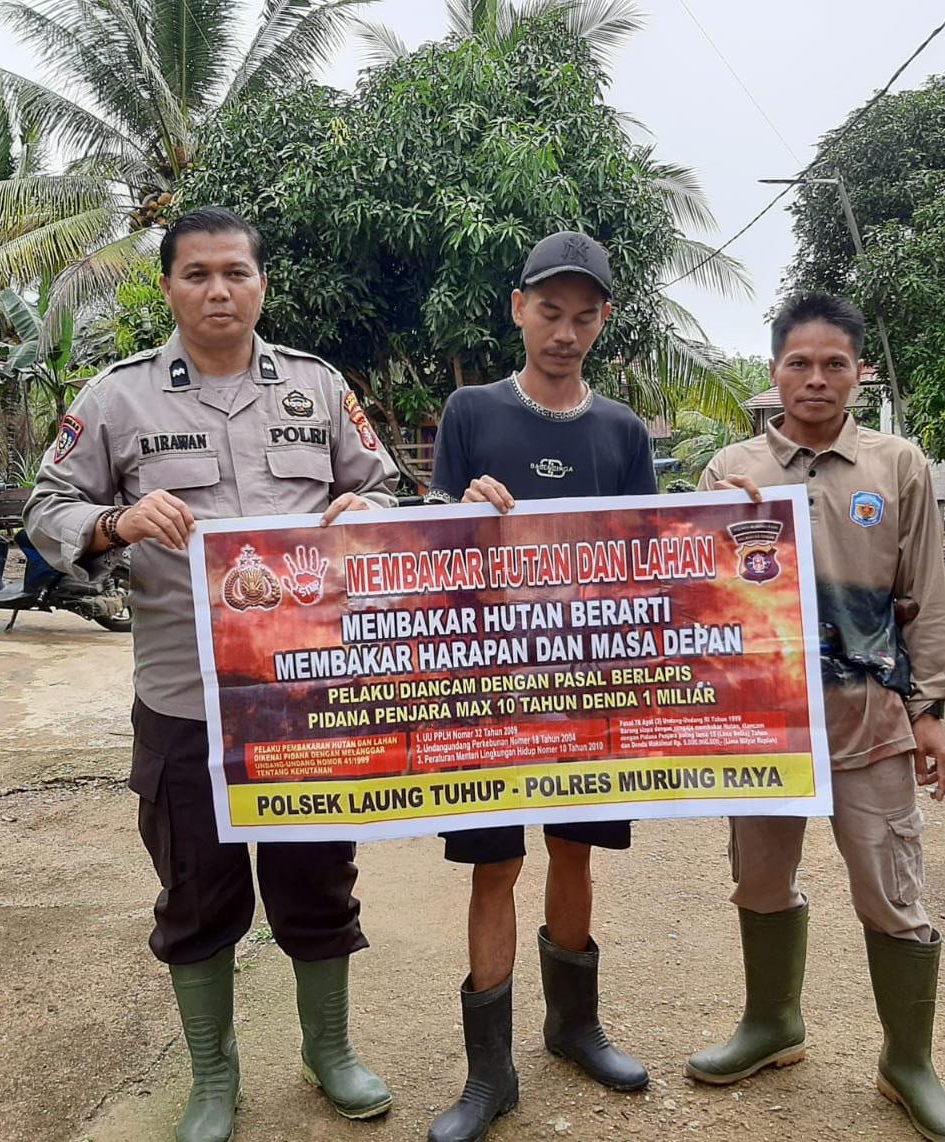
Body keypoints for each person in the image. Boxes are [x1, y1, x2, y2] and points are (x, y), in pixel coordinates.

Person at [23, 206, 398, 1142]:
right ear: (168, 287)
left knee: (317, 878)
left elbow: (382, 489)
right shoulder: (118, 398)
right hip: (184, 693)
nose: (218, 290)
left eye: (236, 272)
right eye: (197, 274)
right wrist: (114, 523)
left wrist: (364, 510)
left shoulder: (317, 387)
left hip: (303, 690)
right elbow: (46, 506)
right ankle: (213, 1077)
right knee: (196, 889)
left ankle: (329, 1049)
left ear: (262, 283)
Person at [689, 294, 945, 1142]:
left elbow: (925, 594)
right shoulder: (730, 467)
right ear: (773, 372)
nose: (815, 379)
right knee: (760, 877)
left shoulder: (899, 466)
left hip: (870, 718)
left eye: (834, 364)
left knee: (892, 889)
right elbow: (699, 598)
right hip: (766, 723)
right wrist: (716, 522)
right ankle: (772, 1025)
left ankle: (908, 1064)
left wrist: (930, 710)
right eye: (799, 364)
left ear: (859, 372)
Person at [423, 231, 657, 1142]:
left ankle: (574, 1028)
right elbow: (429, 546)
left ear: (604, 322)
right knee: (495, 864)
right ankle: (489, 1075)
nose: (565, 332)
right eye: (550, 312)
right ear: (518, 308)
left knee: (573, 850)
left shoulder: (623, 431)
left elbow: (653, 559)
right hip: (484, 685)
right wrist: (460, 513)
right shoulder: (470, 411)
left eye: (584, 317)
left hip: (585, 682)